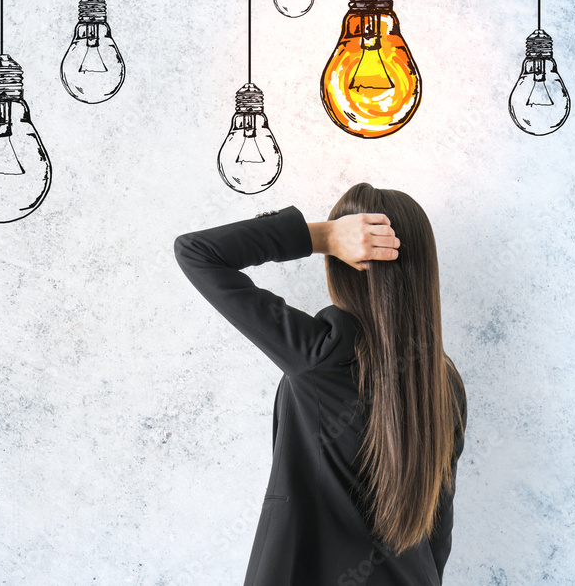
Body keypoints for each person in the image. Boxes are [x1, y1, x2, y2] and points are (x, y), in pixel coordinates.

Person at [173, 183, 467, 585]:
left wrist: (321, 236)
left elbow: (197, 252)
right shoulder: (442, 381)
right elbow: (438, 529)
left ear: (343, 263)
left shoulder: (322, 353)